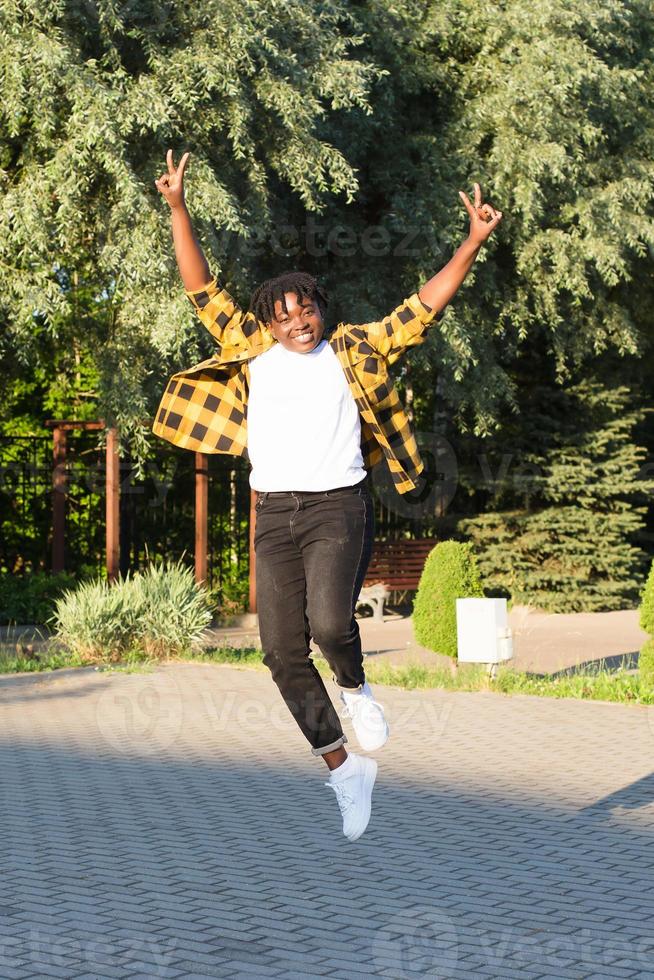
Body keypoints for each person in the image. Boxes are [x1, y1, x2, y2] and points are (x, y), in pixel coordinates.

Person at [153, 150, 502, 841]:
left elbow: (422, 308)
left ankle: (357, 688)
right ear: (270, 323)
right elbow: (199, 288)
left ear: (318, 307)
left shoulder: (355, 348)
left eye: (305, 308)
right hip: (273, 511)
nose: (298, 322)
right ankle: (343, 767)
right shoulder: (251, 351)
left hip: (338, 506)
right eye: (284, 316)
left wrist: (470, 242)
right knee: (281, 651)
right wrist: (178, 208)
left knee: (332, 628)